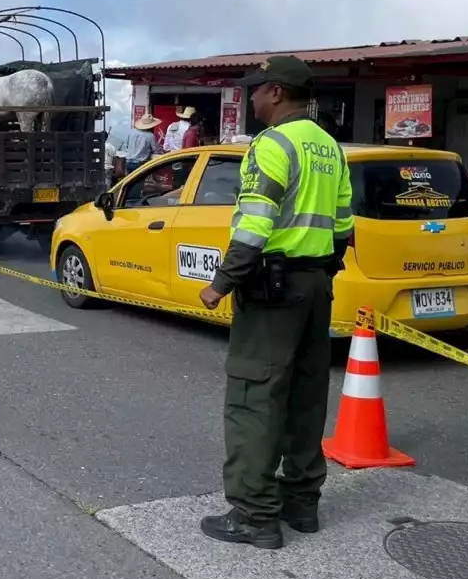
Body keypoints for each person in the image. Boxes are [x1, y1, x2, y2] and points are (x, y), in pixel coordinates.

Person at [196, 55, 354, 550]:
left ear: (278, 92)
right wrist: (318, 274)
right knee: (305, 397)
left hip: (273, 289)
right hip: (315, 286)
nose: (252, 97)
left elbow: (255, 223)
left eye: (258, 88)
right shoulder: (330, 148)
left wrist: (221, 283)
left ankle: (254, 516)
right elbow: (344, 225)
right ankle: (301, 505)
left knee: (254, 397)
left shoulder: (271, 145)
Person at [120, 112, 164, 177]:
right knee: (138, 184)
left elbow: (126, 145)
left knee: (128, 183)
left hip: (128, 162)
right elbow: (156, 150)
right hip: (139, 164)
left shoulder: (132, 132)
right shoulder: (150, 136)